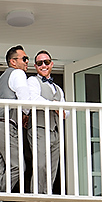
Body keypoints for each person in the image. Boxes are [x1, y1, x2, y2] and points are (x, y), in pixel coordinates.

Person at [0, 45, 42, 192]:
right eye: (24, 58)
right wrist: (26, 114)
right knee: (18, 166)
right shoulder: (17, 74)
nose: (27, 62)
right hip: (4, 125)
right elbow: (24, 98)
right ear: (13, 61)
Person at [27, 50, 67, 194]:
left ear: (51, 64)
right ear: (35, 66)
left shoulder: (58, 89)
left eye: (46, 62)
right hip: (39, 128)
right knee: (41, 164)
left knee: (52, 166)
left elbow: (65, 113)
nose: (43, 65)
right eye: (39, 63)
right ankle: (36, 196)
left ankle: (46, 195)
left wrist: (60, 109)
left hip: (54, 130)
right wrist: (55, 106)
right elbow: (33, 99)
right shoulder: (32, 81)